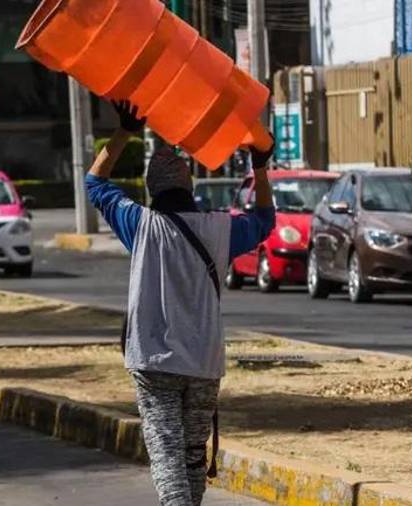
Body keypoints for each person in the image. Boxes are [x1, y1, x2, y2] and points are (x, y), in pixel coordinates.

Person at [85, 100, 275, 506]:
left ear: (154, 190)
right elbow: (264, 220)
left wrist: (124, 132)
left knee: (167, 453)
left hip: (154, 360)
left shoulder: (140, 224)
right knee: (191, 456)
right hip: (203, 362)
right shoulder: (220, 229)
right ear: (188, 185)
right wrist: (260, 165)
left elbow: (95, 185)